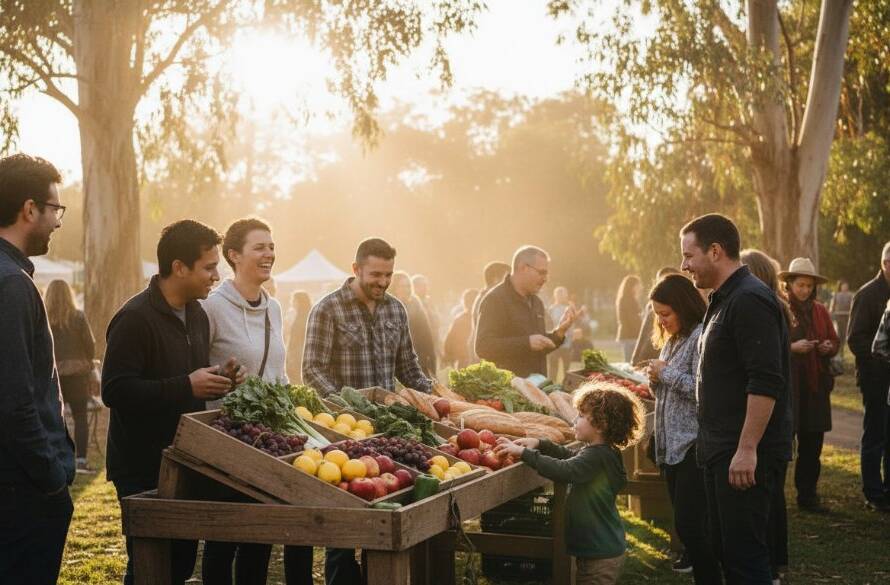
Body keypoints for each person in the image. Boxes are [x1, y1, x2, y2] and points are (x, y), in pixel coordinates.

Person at [102, 220, 246, 585]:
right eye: (209, 267)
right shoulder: (134, 318)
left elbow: (186, 378)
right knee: (151, 566)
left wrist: (219, 378)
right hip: (140, 467)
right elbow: (115, 391)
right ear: (179, 267)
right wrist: (186, 385)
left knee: (179, 565)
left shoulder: (197, 313)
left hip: (183, 460)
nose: (216, 275)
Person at [302, 237, 432, 585]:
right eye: (375, 274)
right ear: (356, 269)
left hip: (388, 432)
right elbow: (312, 370)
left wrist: (434, 398)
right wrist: (348, 409)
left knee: (384, 514)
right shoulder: (328, 309)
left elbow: (409, 368)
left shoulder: (395, 310)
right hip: (344, 435)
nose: (382, 282)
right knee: (345, 527)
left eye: (388, 274)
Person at [680, 213, 792, 584]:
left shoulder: (749, 300)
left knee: (746, 559)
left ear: (715, 251)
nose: (684, 265)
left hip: (742, 453)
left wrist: (746, 449)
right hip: (721, 448)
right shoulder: (723, 298)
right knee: (727, 552)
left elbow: (765, 381)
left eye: (689, 255)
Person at [201, 218, 313, 585]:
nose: (269, 254)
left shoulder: (275, 308)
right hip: (228, 440)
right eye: (259, 247)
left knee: (261, 537)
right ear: (233, 255)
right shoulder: (211, 308)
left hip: (271, 441)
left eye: (271, 246)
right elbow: (198, 371)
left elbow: (278, 374)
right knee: (225, 539)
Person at [0, 154, 75, 585]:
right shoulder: (11, 285)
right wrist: (51, 479)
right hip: (21, 492)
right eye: (55, 209)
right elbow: (14, 401)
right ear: (30, 209)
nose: (58, 222)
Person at [494, 381, 645, 585]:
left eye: (582, 416)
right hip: (599, 549)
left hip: (599, 555)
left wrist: (525, 454)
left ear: (601, 424)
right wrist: (541, 444)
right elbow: (570, 457)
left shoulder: (597, 456)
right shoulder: (602, 452)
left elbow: (566, 469)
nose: (575, 419)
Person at [644, 274, 722, 584]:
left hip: (692, 446)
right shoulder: (672, 340)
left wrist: (667, 374)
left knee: (690, 525)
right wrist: (654, 380)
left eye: (665, 313)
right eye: (657, 314)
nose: (661, 321)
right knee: (687, 524)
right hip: (670, 447)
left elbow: (703, 390)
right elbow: (666, 394)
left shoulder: (700, 337)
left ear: (683, 306)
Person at [740, 248, 791, 582]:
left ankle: (768, 569)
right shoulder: (777, 309)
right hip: (779, 423)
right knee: (772, 500)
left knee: (763, 504)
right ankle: (772, 567)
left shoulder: (762, 311)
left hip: (768, 424)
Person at [778, 258, 839, 512]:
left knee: (812, 445)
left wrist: (827, 348)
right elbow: (772, 345)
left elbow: (834, 341)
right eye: (800, 284)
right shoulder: (780, 309)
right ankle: (774, 498)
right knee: (782, 444)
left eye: (809, 285)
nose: (804, 290)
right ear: (789, 284)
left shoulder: (821, 311)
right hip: (790, 388)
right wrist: (792, 348)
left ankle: (808, 495)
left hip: (815, 388)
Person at [475, 246, 576, 377]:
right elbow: (483, 347)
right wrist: (526, 343)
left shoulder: (537, 302)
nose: (545, 279)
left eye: (546, 274)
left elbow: (538, 346)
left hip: (537, 387)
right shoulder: (495, 300)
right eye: (541, 272)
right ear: (523, 268)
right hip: (508, 391)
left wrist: (559, 333)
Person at [846, 241, 890, 512]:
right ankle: (873, 492)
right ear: (885, 264)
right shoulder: (867, 294)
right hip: (876, 379)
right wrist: (881, 360)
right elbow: (855, 340)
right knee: (875, 435)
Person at [45, 279, 97, 473]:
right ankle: (81, 460)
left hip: (52, 375)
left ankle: (58, 458)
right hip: (77, 374)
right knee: (80, 417)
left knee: (56, 417)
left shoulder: (44, 319)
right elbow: (90, 345)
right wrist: (88, 361)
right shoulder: (78, 317)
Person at [631, 267, 681, 365]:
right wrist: (635, 360)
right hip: (648, 362)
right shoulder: (652, 307)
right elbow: (643, 335)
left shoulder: (694, 335)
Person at [391, 271, 437, 376]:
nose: (406, 289)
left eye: (408, 286)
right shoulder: (387, 305)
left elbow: (426, 333)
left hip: (416, 356)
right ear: (394, 288)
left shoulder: (416, 304)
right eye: (402, 286)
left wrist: (430, 357)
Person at [468, 260, 511, 361]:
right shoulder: (489, 299)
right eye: (507, 277)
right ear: (496, 280)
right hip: (490, 358)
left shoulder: (488, 297)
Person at [442, 288, 479, 369]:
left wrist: (448, 356)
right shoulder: (482, 318)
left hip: (464, 362)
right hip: (467, 361)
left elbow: (449, 341)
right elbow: (450, 341)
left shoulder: (460, 319)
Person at [548, 286, 574, 381]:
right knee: (553, 368)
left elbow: (573, 324)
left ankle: (566, 388)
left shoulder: (570, 308)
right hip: (554, 343)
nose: (561, 296)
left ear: (566, 295)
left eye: (563, 294)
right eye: (559, 294)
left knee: (567, 369)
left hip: (567, 343)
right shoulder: (551, 309)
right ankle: (551, 387)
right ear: (555, 296)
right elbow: (548, 325)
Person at [286, 291, 313, 383]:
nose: (292, 302)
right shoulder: (304, 315)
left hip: (299, 352)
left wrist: (290, 354)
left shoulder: (302, 317)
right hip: (300, 351)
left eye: (294, 300)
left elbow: (295, 338)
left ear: (300, 302)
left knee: (297, 379)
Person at [615, 275, 643, 362]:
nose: (640, 287)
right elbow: (633, 320)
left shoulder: (628, 299)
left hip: (629, 336)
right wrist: (642, 331)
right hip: (630, 336)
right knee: (630, 363)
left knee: (631, 363)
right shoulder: (627, 300)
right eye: (638, 285)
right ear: (632, 286)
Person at [412, 273, 441, 354]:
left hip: (432, 342)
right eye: (422, 285)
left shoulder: (429, 302)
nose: (425, 288)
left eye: (426, 285)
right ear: (414, 287)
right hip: (418, 344)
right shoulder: (412, 303)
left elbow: (437, 322)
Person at [830, 280, 853, 358]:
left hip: (847, 316)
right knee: (839, 333)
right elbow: (832, 306)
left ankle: (845, 349)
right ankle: (840, 350)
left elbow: (852, 306)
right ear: (841, 286)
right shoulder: (836, 295)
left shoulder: (850, 295)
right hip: (839, 316)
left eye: (846, 286)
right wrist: (831, 313)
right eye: (844, 286)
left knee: (846, 333)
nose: (845, 287)